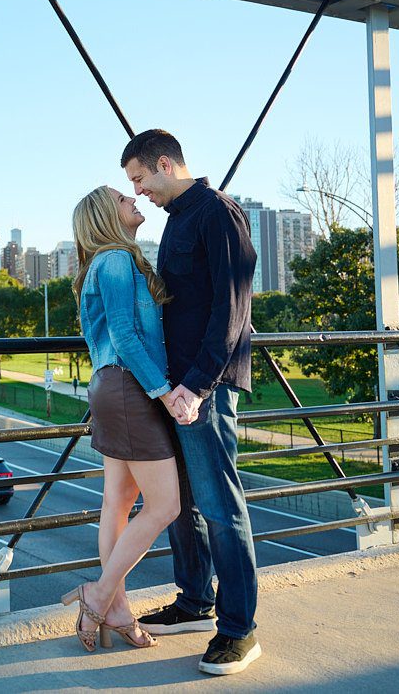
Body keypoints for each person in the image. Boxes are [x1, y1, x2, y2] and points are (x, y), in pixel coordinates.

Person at [122, 129, 262, 676]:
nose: (140, 192)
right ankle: (194, 602)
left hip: (205, 388)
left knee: (220, 507)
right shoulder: (177, 217)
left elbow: (232, 309)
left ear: (163, 164)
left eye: (140, 179)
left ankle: (239, 630)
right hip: (175, 388)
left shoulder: (216, 212)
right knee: (179, 503)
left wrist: (198, 386)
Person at [60, 185, 187, 652]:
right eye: (122, 197)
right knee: (164, 507)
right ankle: (98, 596)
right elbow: (127, 338)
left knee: (117, 502)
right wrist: (166, 392)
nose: (134, 198)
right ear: (105, 215)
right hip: (129, 388)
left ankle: (115, 609)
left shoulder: (108, 261)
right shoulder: (114, 260)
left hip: (114, 388)